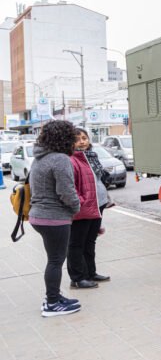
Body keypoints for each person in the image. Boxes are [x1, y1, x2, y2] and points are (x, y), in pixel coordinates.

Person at [28, 120, 82, 317]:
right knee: (56, 260)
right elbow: (66, 191)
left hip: (39, 216)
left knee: (54, 259)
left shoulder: (40, 157)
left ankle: (55, 297)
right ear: (65, 138)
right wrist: (76, 207)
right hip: (54, 218)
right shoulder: (60, 159)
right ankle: (52, 303)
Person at [69, 129, 111, 286]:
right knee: (77, 243)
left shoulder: (92, 156)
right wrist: (81, 202)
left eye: (84, 138)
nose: (82, 141)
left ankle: (91, 273)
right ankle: (78, 278)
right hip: (84, 207)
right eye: (77, 139)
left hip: (98, 204)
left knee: (90, 241)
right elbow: (70, 186)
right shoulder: (72, 159)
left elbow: (97, 180)